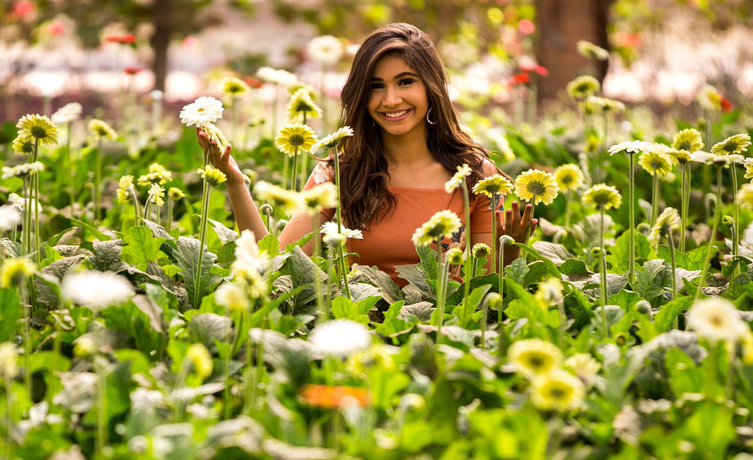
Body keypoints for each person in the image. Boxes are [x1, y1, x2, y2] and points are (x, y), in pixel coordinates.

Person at [198, 22, 535, 285]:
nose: (390, 100)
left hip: (442, 339)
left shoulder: (476, 177)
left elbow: (484, 293)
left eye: (405, 82)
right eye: (376, 86)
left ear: (430, 88)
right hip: (359, 337)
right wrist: (235, 183)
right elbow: (272, 267)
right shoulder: (340, 173)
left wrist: (512, 251)